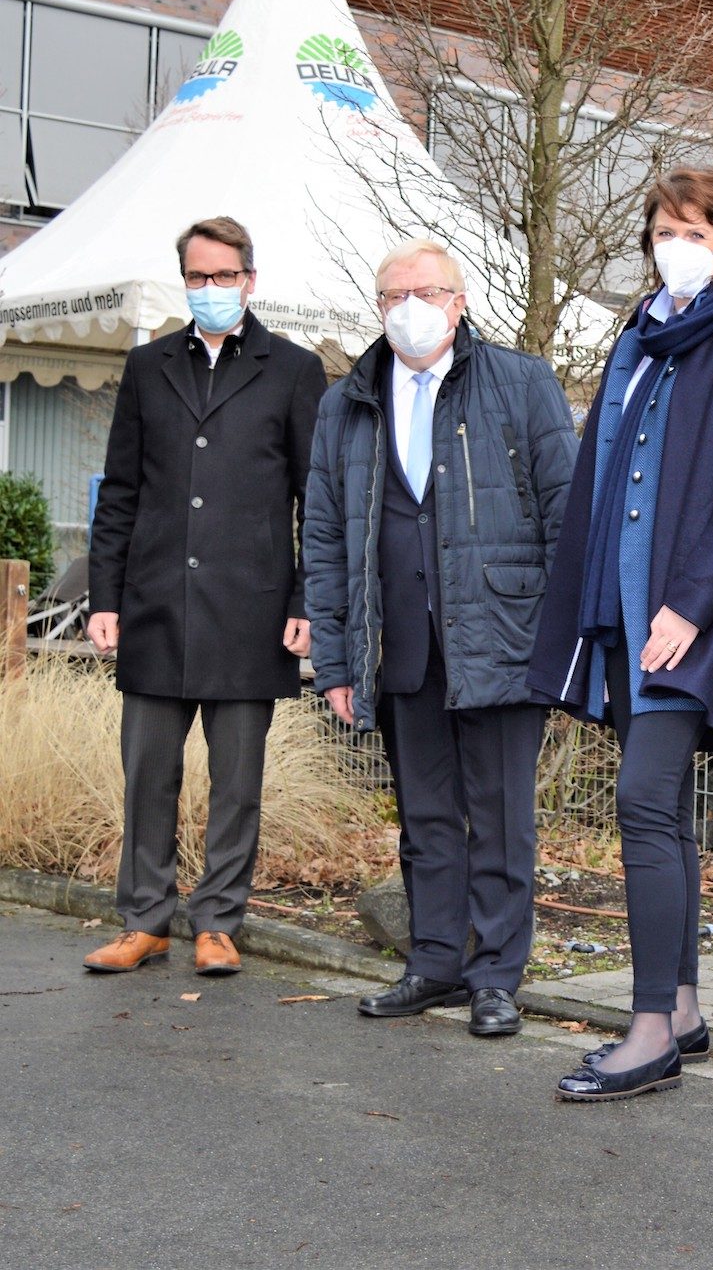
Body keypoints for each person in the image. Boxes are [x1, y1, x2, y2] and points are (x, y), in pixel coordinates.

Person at [528, 168, 713, 1102]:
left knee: (642, 803)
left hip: (693, 615)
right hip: (626, 612)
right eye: (663, 228)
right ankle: (679, 1005)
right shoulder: (640, 330)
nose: (675, 242)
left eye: (695, 230)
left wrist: (691, 602)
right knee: (664, 810)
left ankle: (647, 1031)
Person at [302, 239, 576, 1037]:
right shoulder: (347, 401)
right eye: (393, 294)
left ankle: (495, 975)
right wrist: (336, 657)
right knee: (424, 816)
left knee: (499, 817)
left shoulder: (520, 383)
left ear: (459, 302)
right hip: (400, 645)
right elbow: (322, 534)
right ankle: (433, 962)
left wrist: (560, 642)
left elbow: (565, 513)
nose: (408, 306)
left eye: (425, 291)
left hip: (500, 634)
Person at [85, 216, 325, 979]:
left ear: (250, 280)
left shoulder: (292, 369)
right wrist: (104, 596)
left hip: (251, 611)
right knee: (147, 774)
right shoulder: (148, 366)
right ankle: (145, 920)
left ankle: (219, 922)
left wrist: (307, 598)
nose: (212, 289)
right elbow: (120, 491)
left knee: (237, 783)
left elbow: (313, 497)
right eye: (199, 277)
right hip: (155, 603)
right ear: (184, 280)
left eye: (225, 276)